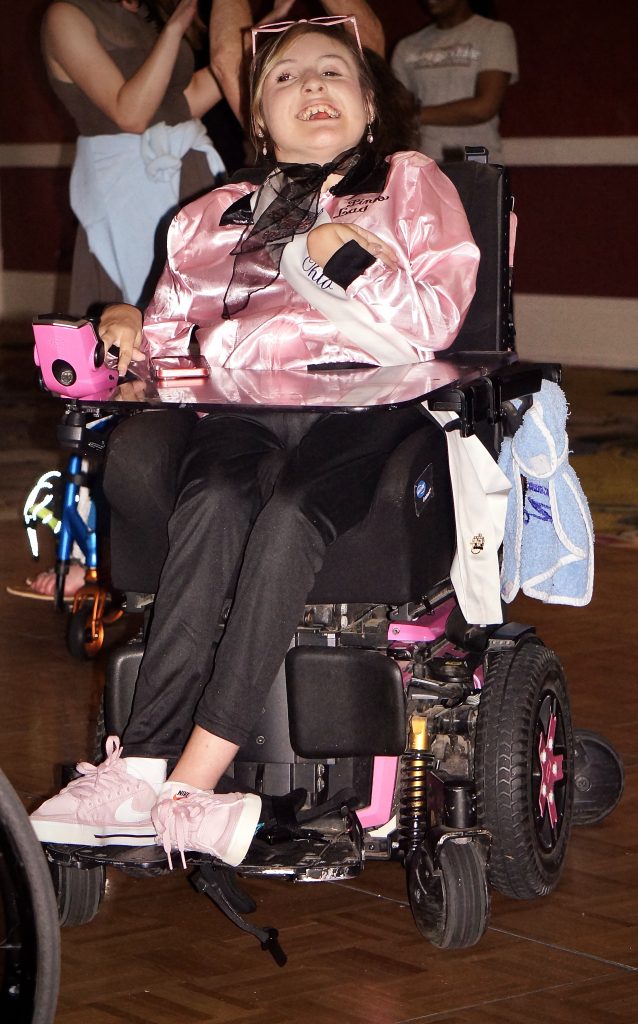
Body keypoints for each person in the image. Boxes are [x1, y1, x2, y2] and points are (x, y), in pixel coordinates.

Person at [30, 18, 480, 870]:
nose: (313, 87)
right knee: (215, 497)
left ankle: (195, 785)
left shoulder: (410, 185)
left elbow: (434, 320)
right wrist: (123, 322)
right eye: (286, 79)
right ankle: (141, 766)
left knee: (289, 513)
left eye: (333, 73)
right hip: (241, 414)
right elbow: (167, 343)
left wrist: (337, 256)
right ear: (259, 119)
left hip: (367, 407)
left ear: (369, 103)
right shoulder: (213, 215)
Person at [391, 0, 518, 164]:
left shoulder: (494, 33)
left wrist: (413, 115)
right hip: (423, 163)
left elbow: (484, 107)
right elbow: (397, 109)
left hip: (478, 162)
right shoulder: (406, 46)